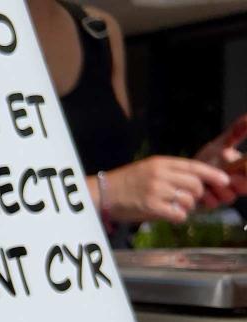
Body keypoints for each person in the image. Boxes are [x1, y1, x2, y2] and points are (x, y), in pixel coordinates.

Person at [29, 0, 247, 237]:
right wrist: (106, 192)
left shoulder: (97, 31)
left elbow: (119, 178)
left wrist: (187, 181)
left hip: (99, 264)